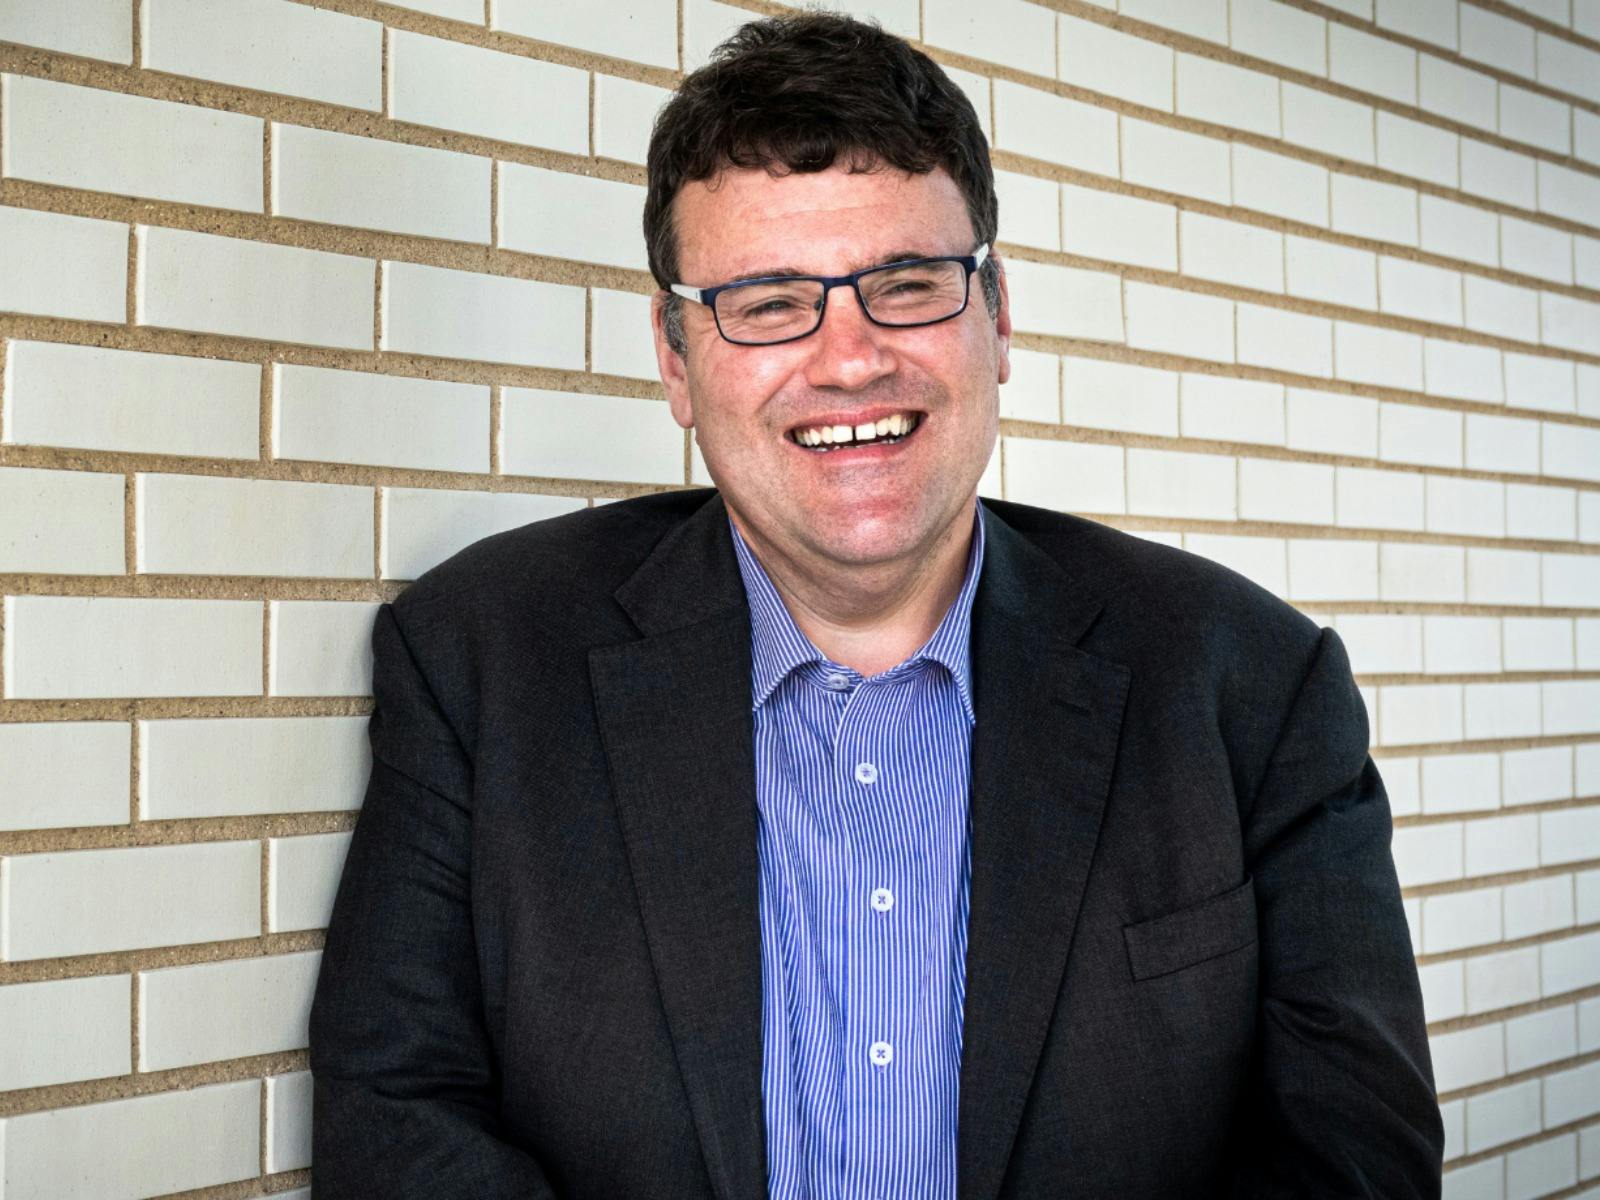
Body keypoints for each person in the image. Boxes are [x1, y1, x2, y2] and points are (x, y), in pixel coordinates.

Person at [309, 13, 1443, 1198]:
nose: (848, 360)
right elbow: (398, 1111)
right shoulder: (480, 659)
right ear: (674, 357)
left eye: (906, 285)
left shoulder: (1250, 686)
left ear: (996, 317)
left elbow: (1351, 1158)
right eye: (764, 300)